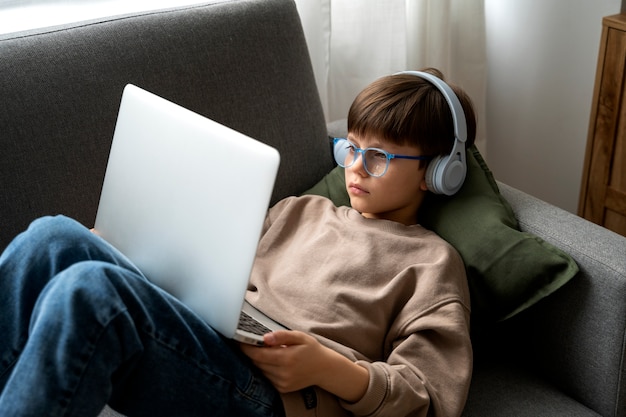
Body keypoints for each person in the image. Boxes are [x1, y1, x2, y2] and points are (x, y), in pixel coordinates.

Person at [0, 68, 476, 417]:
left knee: (90, 291)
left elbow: (429, 398)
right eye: (351, 148)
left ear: (437, 173)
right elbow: (214, 273)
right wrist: (129, 250)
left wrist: (327, 369)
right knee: (53, 235)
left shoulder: (433, 263)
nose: (353, 167)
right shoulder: (299, 210)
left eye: (377, 158)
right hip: (218, 336)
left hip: (276, 395)